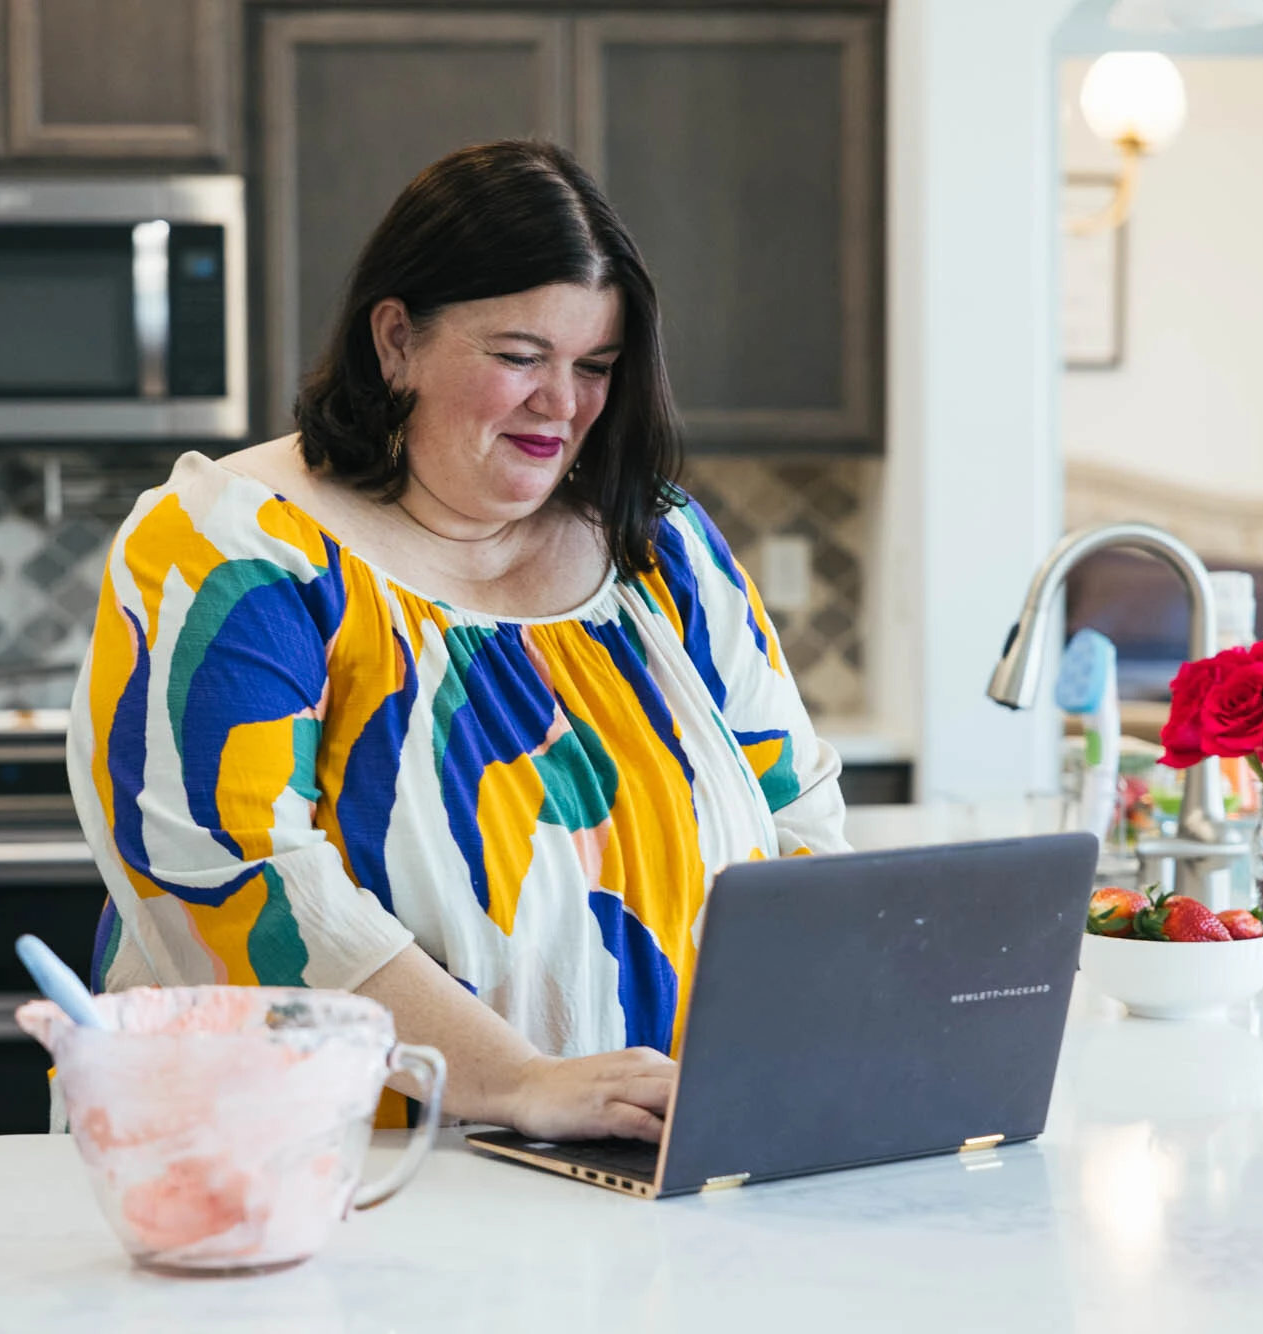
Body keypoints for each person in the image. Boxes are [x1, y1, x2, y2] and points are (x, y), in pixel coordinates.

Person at [67, 140, 846, 1143]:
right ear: (394, 341)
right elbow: (238, 886)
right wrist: (521, 1079)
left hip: (639, 1164)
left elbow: (797, 819)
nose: (562, 404)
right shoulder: (233, 547)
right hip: (313, 1182)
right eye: (520, 356)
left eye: (594, 366)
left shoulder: (658, 544)